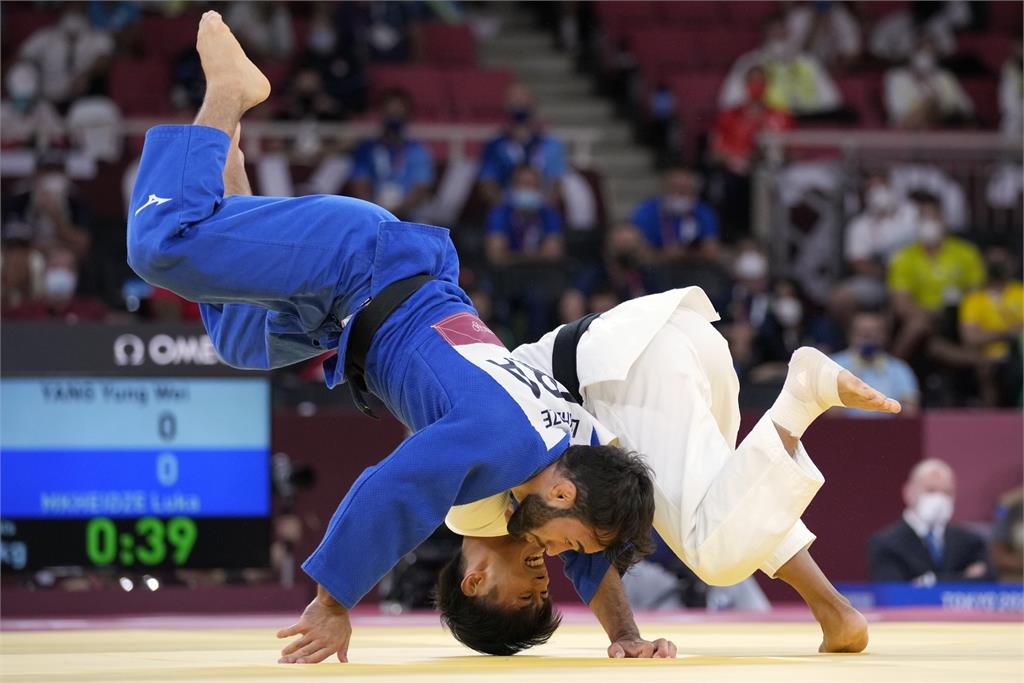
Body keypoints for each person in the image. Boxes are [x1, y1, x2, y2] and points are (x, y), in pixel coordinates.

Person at [126, 13, 663, 664]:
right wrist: (333, 602)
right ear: (560, 492)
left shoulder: (568, 444)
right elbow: (394, 488)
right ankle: (227, 95)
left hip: (351, 307)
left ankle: (228, 165)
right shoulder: (506, 440)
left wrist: (625, 636)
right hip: (356, 262)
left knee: (240, 337)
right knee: (161, 247)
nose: (560, 561)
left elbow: (595, 549)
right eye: (567, 547)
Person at [438, 287, 903, 656]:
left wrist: (624, 634)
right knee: (734, 502)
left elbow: (584, 557)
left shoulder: (469, 508)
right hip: (678, 340)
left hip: (620, 372)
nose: (542, 585)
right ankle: (835, 613)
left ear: (475, 581)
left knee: (714, 556)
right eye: (544, 599)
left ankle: (801, 397)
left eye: (524, 599)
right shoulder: (516, 513)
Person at [888, 194, 986, 363]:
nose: (929, 224)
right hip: (925, 318)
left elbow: (977, 292)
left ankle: (979, 363)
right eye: (923, 218)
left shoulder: (966, 253)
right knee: (918, 327)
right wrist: (932, 313)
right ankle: (891, 372)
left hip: (961, 316)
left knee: (963, 332)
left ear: (944, 221)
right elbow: (902, 304)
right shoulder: (904, 257)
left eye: (934, 218)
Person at [867, 459, 995, 583]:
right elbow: (893, 591)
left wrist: (927, 581)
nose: (939, 500)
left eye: (947, 492)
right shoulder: (886, 543)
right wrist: (963, 577)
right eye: (931, 490)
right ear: (908, 493)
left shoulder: (971, 542)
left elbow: (986, 583)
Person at [718, 14, 844, 119]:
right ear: (764, 36)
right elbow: (729, 102)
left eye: (783, 32)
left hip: (807, 119)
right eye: (774, 33)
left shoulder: (808, 62)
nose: (779, 37)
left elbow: (832, 101)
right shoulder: (749, 62)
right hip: (768, 121)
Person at [350, 88, 435, 220]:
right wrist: (377, 212)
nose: (393, 117)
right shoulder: (366, 149)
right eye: (389, 112)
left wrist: (397, 212)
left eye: (398, 112)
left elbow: (421, 189)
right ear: (381, 113)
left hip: (409, 215)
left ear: (407, 115)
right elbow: (360, 185)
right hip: (373, 214)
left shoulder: (418, 149)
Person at [478, 84, 568, 206]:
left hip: (543, 208)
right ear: (506, 105)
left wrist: (543, 206)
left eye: (523, 100)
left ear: (533, 103)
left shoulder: (551, 144)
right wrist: (506, 206)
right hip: (506, 209)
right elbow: (487, 183)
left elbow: (557, 183)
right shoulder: (494, 145)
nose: (519, 104)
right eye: (514, 101)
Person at [958, 245, 1024, 407]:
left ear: (1011, 264)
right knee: (985, 368)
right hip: (990, 356)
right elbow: (970, 337)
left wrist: (988, 333)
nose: (996, 267)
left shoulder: (1020, 292)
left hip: (1020, 354)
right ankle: (991, 421)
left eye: (1001, 262)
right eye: (992, 263)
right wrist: (1007, 333)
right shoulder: (974, 299)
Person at [842, 174, 919, 307]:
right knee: (841, 298)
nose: (878, 192)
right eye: (872, 188)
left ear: (892, 187)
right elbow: (858, 262)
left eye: (882, 186)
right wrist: (889, 275)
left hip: (917, 277)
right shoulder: (859, 225)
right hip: (880, 280)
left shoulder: (913, 212)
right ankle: (858, 328)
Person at [831, 310, 921, 417]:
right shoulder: (834, 364)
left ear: (884, 336)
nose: (867, 338)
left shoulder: (899, 368)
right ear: (850, 335)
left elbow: (911, 410)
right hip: (843, 430)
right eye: (862, 333)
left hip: (889, 430)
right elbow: (830, 412)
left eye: (873, 333)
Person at [631, 168, 720, 263]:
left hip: (695, 268)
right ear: (664, 189)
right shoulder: (646, 212)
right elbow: (640, 252)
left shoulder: (703, 212)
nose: (680, 195)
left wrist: (684, 254)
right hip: (657, 268)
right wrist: (664, 255)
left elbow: (711, 250)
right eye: (675, 189)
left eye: (685, 190)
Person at [884, 37, 974, 129]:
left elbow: (966, 107)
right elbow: (897, 112)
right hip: (909, 124)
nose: (926, 57)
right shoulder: (897, 77)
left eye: (931, 53)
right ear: (913, 54)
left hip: (947, 120)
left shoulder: (945, 76)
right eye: (922, 52)